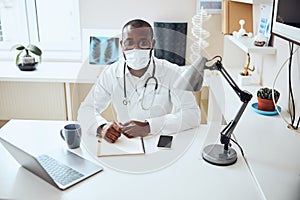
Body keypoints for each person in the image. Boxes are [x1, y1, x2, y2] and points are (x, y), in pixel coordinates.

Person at [77, 19, 201, 143]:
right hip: (125, 142)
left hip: (158, 140)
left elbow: (192, 115)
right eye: (129, 42)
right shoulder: (110, 73)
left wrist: (149, 127)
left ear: (152, 44)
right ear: (122, 45)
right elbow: (86, 110)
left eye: (143, 42)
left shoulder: (171, 72)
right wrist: (102, 127)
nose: (136, 49)